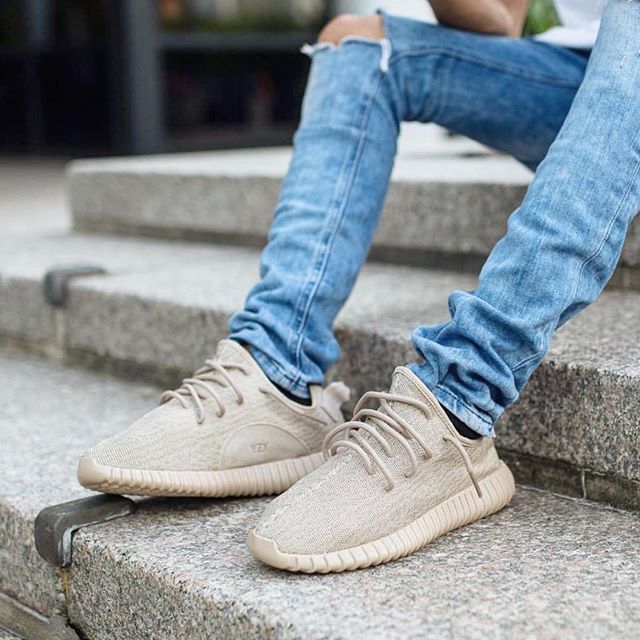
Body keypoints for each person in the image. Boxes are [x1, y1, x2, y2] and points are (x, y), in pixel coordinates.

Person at [77, 0, 640, 573]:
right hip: (582, 81)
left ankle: (460, 405)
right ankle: (278, 366)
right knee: (358, 44)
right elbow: (500, 20)